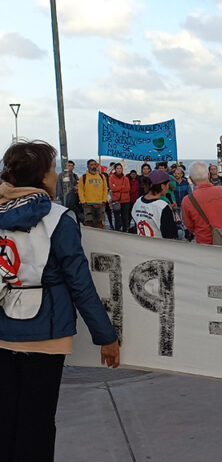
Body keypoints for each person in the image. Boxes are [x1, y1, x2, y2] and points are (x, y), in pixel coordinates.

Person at [0, 141, 119, 461]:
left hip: (3, 329)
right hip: (46, 331)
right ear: (41, 176)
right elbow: (80, 283)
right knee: (37, 421)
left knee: (6, 418)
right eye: (52, 168)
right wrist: (105, 336)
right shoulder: (57, 218)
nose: (56, 175)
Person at [181, 162, 222, 245]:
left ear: (190, 178)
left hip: (204, 242)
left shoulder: (187, 200)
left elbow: (189, 225)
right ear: (208, 175)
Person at [131, 170, 177, 239]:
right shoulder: (163, 207)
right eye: (168, 184)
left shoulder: (138, 201)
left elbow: (136, 218)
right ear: (162, 186)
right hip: (157, 244)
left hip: (141, 242)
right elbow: (170, 234)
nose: (168, 187)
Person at [78, 159, 109, 229]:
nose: (93, 166)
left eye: (95, 165)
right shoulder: (83, 177)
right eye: (91, 165)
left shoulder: (102, 176)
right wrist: (83, 202)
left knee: (100, 223)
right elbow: (80, 190)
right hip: (88, 204)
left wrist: (104, 201)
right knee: (89, 223)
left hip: (100, 203)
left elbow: (105, 189)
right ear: (88, 166)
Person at [108, 163, 132, 233]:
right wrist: (122, 187)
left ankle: (125, 231)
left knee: (125, 217)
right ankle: (117, 231)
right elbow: (112, 188)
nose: (119, 170)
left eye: (120, 168)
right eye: (117, 168)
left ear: (122, 169)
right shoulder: (111, 178)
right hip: (116, 200)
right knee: (117, 217)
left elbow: (128, 188)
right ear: (115, 169)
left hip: (125, 200)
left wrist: (117, 188)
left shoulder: (126, 178)